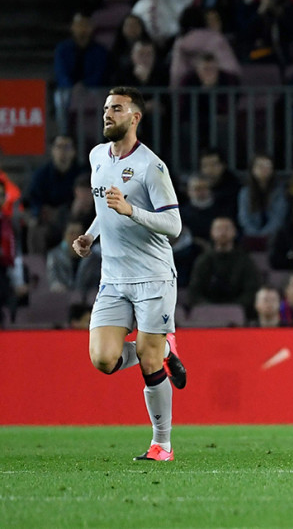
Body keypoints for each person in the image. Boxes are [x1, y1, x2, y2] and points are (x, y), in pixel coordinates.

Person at [72, 86, 187, 461]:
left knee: (148, 363)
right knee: (103, 359)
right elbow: (105, 207)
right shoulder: (97, 156)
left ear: (135, 117)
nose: (108, 114)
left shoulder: (151, 167)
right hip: (113, 278)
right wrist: (91, 236)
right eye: (106, 108)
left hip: (153, 276)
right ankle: (164, 347)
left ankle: (162, 445)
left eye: (117, 108)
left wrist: (132, 211)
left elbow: (174, 225)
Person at [188, 216, 260, 311]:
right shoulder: (203, 261)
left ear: (235, 232)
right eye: (219, 229)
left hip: (239, 311)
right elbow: (194, 292)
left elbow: (251, 291)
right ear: (211, 232)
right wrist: (210, 308)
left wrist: (233, 308)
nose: (223, 232)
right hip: (207, 311)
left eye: (227, 228)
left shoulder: (245, 260)